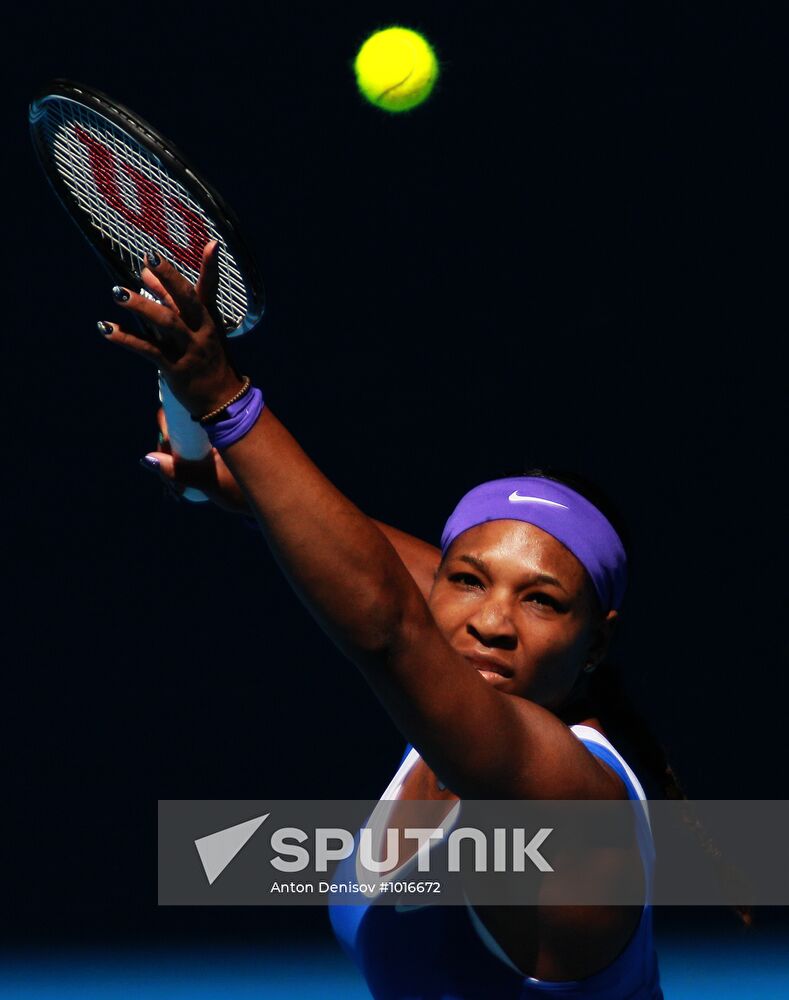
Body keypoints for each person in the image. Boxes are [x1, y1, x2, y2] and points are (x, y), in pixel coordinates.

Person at [102, 243, 663, 998]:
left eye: (541, 600)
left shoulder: (567, 792)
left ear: (596, 640)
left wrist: (228, 403)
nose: (491, 623)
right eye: (467, 581)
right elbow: (382, 563)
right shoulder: (471, 637)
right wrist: (237, 486)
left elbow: (392, 624)